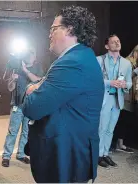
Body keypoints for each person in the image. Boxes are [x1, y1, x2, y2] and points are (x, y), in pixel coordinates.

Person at [22, 5, 104, 183]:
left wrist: (30, 89)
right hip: (70, 148)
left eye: (53, 29)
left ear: (70, 30)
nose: (49, 34)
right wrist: (40, 85)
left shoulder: (71, 62)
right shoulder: (81, 56)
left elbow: (32, 108)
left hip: (65, 154)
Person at [1, 47, 44, 167]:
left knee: (26, 132)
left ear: (35, 57)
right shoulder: (16, 68)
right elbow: (10, 88)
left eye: (33, 54)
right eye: (28, 53)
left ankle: (21, 154)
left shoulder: (37, 68)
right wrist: (13, 80)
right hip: (17, 105)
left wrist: (25, 70)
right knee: (12, 131)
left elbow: (39, 81)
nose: (30, 56)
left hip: (31, 106)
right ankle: (6, 156)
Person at [97, 35, 132, 169]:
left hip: (117, 99)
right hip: (105, 98)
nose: (117, 43)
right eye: (113, 42)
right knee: (102, 128)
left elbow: (129, 82)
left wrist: (125, 85)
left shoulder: (126, 63)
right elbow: (94, 79)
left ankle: (105, 153)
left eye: (118, 41)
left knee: (110, 129)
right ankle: (98, 155)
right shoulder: (99, 60)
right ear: (107, 46)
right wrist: (110, 82)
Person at [112, 44, 138, 153]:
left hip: (132, 96)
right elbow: (121, 77)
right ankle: (118, 144)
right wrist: (135, 72)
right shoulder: (127, 62)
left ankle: (121, 143)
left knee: (128, 119)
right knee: (123, 118)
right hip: (124, 95)